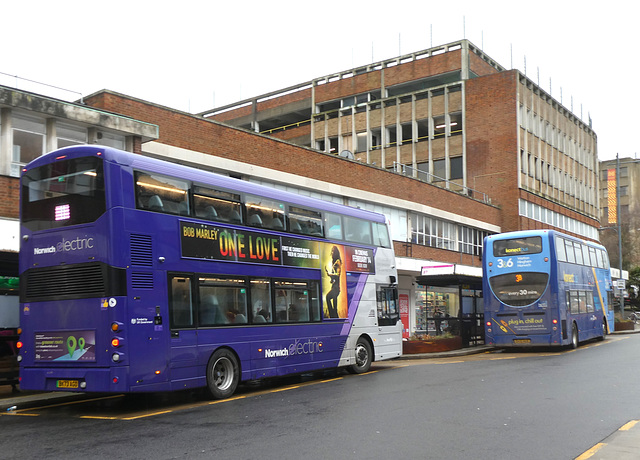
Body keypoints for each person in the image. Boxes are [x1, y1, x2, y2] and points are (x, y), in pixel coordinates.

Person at [325, 245, 343, 318]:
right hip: (334, 286)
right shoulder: (334, 262)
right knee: (332, 301)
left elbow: (338, 274)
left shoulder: (337, 261)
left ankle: (333, 315)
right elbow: (334, 278)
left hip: (336, 288)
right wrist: (331, 279)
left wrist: (330, 274)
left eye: (333, 251)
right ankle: (333, 316)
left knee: (328, 297)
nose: (332, 253)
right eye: (331, 251)